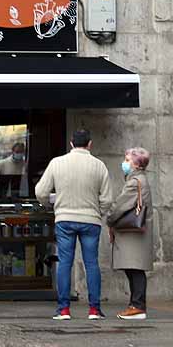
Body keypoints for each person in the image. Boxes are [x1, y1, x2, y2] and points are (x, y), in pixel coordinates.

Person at [35, 128, 113, 320]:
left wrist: (53, 206)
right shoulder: (99, 165)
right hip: (91, 221)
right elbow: (108, 198)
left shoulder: (57, 163)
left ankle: (64, 310)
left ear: (71, 143)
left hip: (65, 220)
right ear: (90, 144)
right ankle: (94, 310)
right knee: (91, 263)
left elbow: (41, 192)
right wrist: (98, 212)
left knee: (64, 263)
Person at [107, 147, 153, 320]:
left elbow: (120, 205)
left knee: (134, 269)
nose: (124, 163)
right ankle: (135, 305)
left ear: (136, 163)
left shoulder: (135, 182)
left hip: (132, 234)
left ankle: (138, 306)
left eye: (127, 160)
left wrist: (109, 219)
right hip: (133, 234)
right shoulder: (138, 179)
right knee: (133, 268)